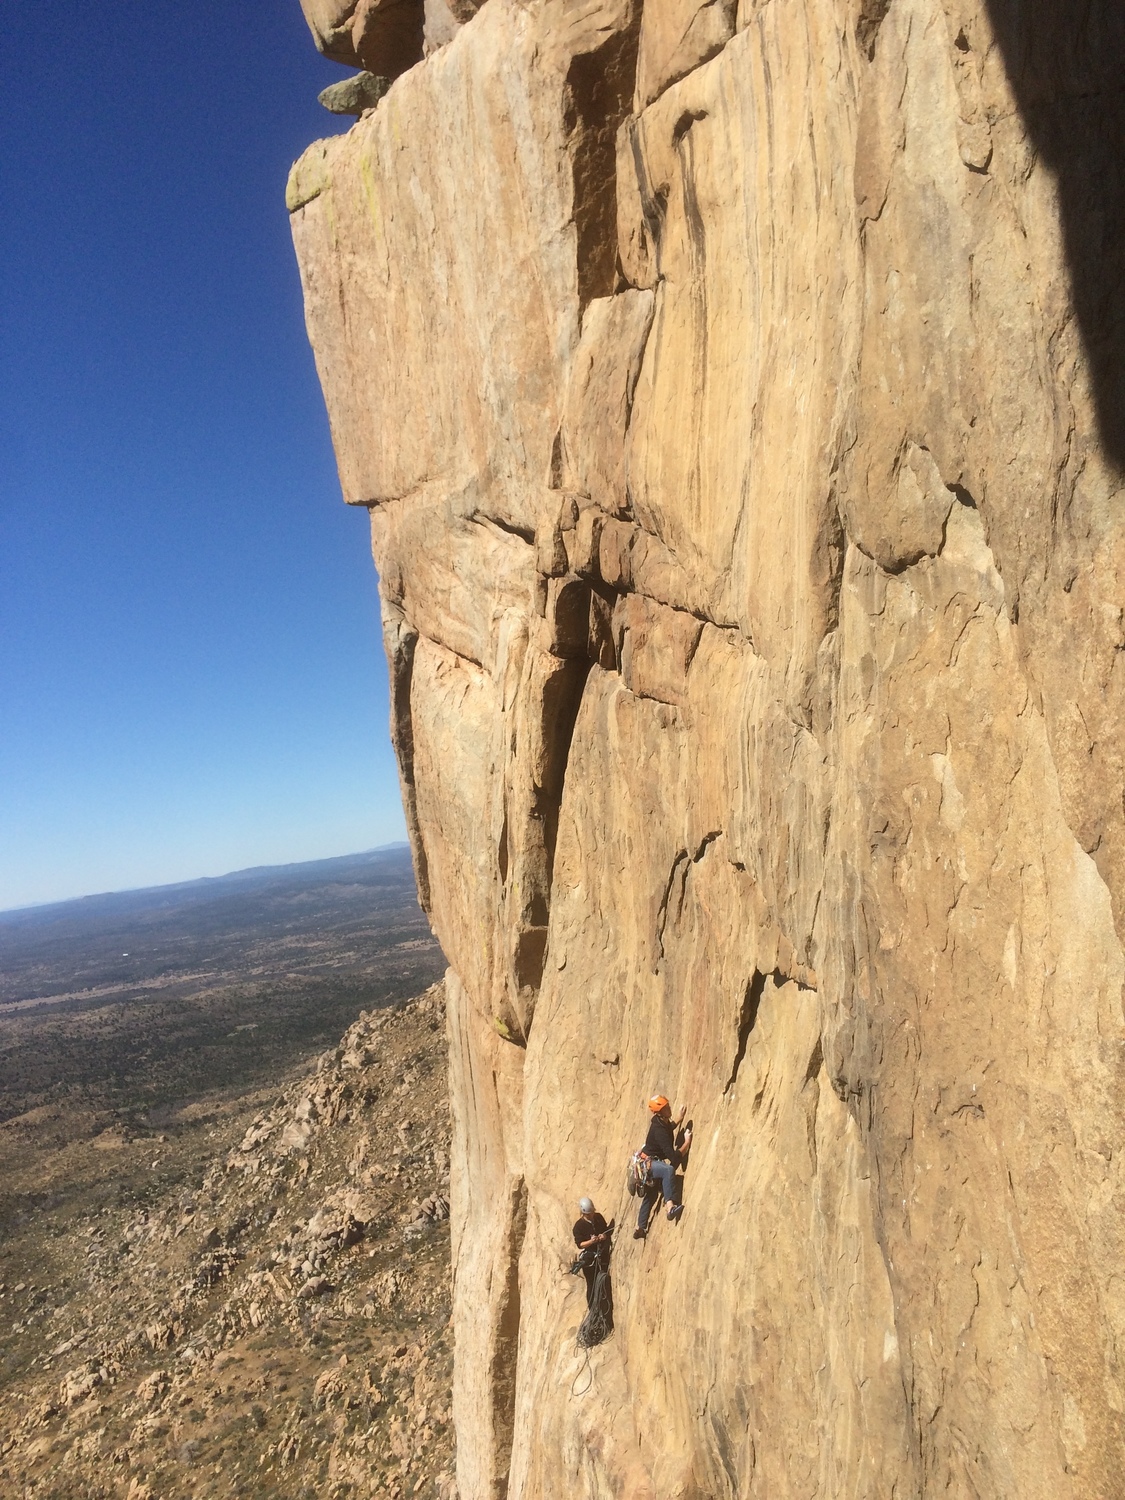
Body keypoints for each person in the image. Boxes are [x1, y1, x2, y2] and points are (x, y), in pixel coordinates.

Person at [634, 1095, 692, 1239]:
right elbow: (673, 1157)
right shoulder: (658, 1129)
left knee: (652, 1193)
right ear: (659, 1112)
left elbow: (668, 1128)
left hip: (648, 1163)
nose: (669, 1108)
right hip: (648, 1164)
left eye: (668, 1106)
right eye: (665, 1108)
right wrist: (687, 1142)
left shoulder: (660, 1121)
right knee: (668, 1170)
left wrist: (678, 1118)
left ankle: (640, 1227)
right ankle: (670, 1207)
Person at [572, 1197, 612, 1309]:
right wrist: (591, 1241)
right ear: (583, 1213)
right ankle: (593, 1309)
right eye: (588, 1214)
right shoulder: (578, 1226)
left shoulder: (598, 1218)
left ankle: (604, 1306)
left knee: (604, 1280)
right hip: (590, 1258)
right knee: (592, 1283)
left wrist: (604, 1236)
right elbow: (580, 1244)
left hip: (602, 1253)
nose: (591, 1215)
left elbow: (606, 1230)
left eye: (592, 1213)